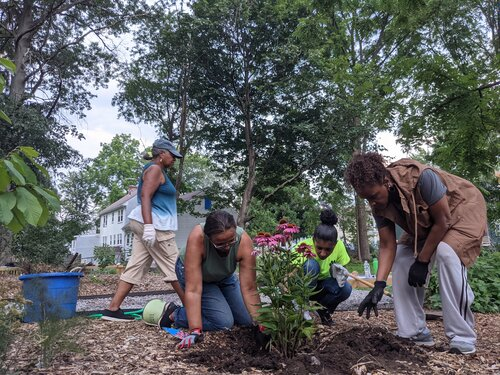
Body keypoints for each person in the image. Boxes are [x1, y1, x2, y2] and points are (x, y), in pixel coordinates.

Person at [345, 152, 487, 355]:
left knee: (447, 253)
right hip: (427, 223)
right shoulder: (377, 202)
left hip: (462, 210)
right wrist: (379, 285)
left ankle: (462, 336)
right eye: (366, 198)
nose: (372, 203)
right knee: (402, 258)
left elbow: (443, 221)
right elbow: (387, 245)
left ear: (386, 181)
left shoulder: (421, 177)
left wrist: (422, 261)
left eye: (374, 196)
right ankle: (414, 332)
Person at [102, 137, 184, 321]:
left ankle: (112, 309)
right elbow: (146, 196)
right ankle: (193, 309)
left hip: (145, 223)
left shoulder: (155, 169)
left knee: (136, 264)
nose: (174, 160)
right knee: (174, 266)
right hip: (155, 225)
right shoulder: (155, 169)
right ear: (161, 154)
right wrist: (149, 226)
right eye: (172, 156)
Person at [160, 210, 264, 349]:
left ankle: (210, 309)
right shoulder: (198, 237)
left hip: (224, 275)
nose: (227, 247)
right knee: (223, 322)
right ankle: (176, 313)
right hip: (198, 277)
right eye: (220, 244)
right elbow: (194, 290)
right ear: (209, 238)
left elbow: (250, 287)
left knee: (246, 320)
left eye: (231, 241)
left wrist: (261, 324)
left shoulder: (243, 241)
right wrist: (195, 330)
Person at [295, 209, 352, 325]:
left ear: (335, 244)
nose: (322, 253)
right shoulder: (303, 246)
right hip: (303, 288)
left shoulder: (339, 246)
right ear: (313, 240)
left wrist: (341, 273)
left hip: (323, 288)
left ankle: (322, 309)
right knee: (311, 264)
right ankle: (303, 308)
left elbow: (344, 271)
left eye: (328, 249)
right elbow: (290, 274)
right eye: (319, 248)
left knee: (346, 288)